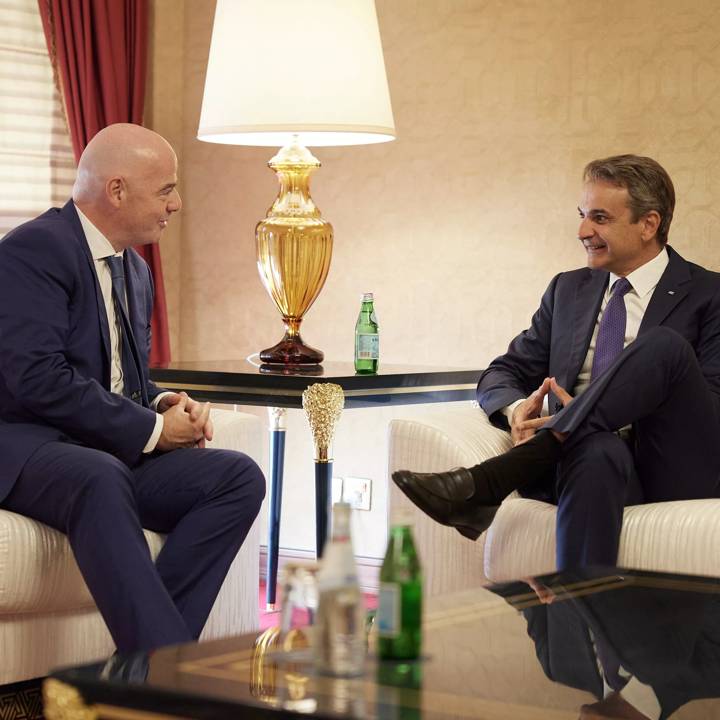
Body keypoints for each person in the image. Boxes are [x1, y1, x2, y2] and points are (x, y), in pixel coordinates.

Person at [0, 123, 265, 653]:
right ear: (117, 190)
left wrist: (164, 403)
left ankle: (142, 668)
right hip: (27, 445)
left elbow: (121, 378)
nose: (178, 204)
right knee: (99, 476)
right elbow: (37, 377)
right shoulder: (33, 250)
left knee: (236, 477)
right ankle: (166, 679)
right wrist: (151, 429)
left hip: (96, 446)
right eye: (166, 189)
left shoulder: (135, 271)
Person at [393, 154, 720, 570]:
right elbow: (502, 371)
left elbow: (710, 410)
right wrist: (517, 409)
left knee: (664, 347)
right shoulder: (568, 290)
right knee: (597, 448)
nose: (583, 231)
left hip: (669, 462)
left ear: (648, 224)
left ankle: (497, 477)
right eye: (583, 215)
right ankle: (578, 617)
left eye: (600, 218)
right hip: (587, 461)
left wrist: (576, 414)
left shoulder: (710, 294)